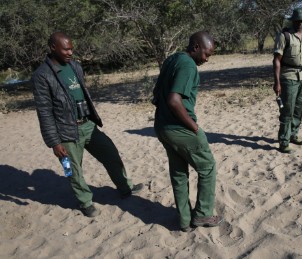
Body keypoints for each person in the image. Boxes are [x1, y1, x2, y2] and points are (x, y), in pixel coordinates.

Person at [32, 32, 143, 217]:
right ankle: (85, 202)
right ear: (53, 48)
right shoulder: (41, 76)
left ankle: (125, 188)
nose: (70, 52)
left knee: (111, 154)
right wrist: (54, 142)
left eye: (71, 48)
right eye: (66, 48)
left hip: (88, 125)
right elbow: (44, 112)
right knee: (72, 170)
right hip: (65, 132)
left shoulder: (75, 66)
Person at [153, 31, 223, 232]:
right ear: (196, 47)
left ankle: (184, 221)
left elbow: (156, 94)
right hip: (180, 128)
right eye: (207, 54)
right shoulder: (188, 65)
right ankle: (202, 215)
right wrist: (194, 127)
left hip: (162, 126)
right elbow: (174, 100)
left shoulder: (172, 59)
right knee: (208, 167)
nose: (207, 59)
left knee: (178, 173)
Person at [273, 8, 302, 153]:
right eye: (297, 21)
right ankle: (283, 141)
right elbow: (277, 60)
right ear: (293, 21)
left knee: (299, 109)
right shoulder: (285, 36)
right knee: (287, 110)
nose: (300, 23)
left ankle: (293, 134)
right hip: (288, 77)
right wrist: (277, 82)